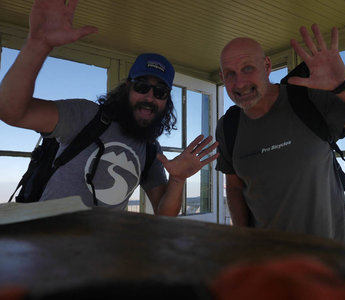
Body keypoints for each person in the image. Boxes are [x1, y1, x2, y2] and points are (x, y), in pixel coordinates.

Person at [0, 0, 219, 216]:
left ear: (166, 101)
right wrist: (37, 45)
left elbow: (165, 215)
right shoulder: (85, 115)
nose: (149, 97)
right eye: (142, 86)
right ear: (127, 88)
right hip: (47, 243)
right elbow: (12, 112)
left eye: (160, 92)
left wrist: (178, 179)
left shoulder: (151, 150)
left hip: (101, 249)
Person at [216, 24, 345, 241]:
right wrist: (243, 235)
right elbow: (235, 187)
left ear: (267, 66)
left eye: (247, 68)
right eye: (230, 74)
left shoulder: (307, 99)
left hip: (332, 254)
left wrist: (344, 83)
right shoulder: (228, 126)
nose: (239, 83)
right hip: (268, 257)